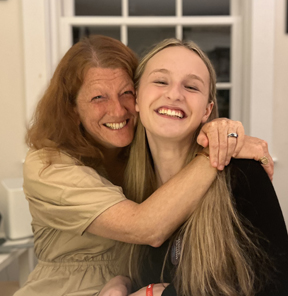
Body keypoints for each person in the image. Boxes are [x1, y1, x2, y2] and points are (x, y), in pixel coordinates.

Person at [15, 35, 274, 296]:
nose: (118, 111)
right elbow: (146, 227)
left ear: (137, 97)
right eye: (98, 98)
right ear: (72, 108)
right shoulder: (48, 166)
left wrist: (219, 134)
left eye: (125, 93)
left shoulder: (143, 161)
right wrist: (220, 149)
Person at [102, 39, 288, 296]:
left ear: (207, 110)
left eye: (191, 86)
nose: (174, 94)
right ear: (136, 98)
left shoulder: (244, 175)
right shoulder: (123, 185)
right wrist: (120, 283)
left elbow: (277, 287)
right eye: (160, 81)